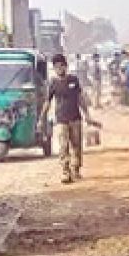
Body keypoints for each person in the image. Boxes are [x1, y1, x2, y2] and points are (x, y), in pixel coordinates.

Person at [40, 54, 101, 184]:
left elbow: (80, 98)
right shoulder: (53, 83)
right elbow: (47, 102)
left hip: (75, 118)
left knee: (76, 145)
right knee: (63, 146)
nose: (59, 69)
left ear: (65, 66)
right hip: (61, 119)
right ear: (54, 68)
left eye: (61, 66)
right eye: (56, 67)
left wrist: (87, 115)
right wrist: (41, 118)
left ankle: (76, 168)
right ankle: (65, 171)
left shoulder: (74, 80)